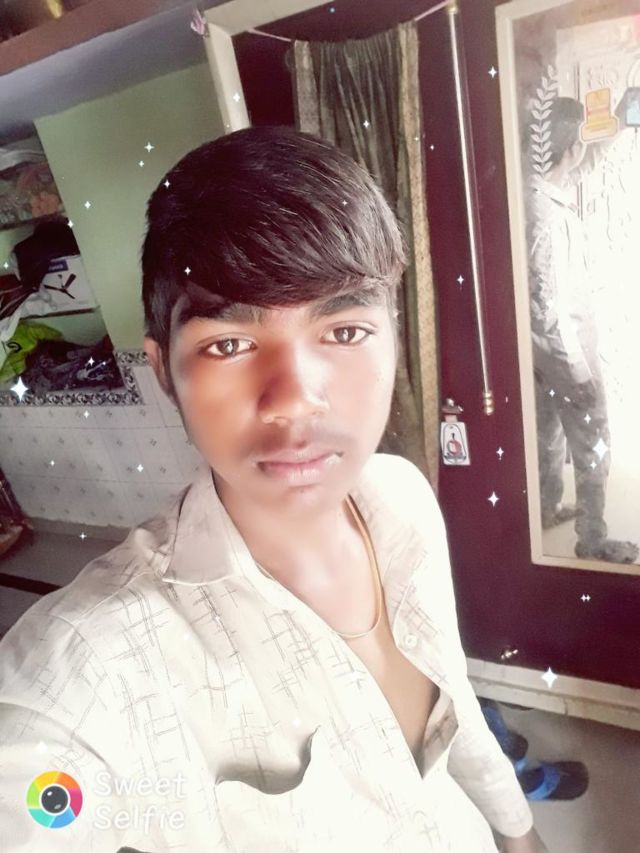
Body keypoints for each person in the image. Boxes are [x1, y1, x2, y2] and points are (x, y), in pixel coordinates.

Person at [0, 127, 545, 852]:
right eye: (228, 344)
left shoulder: (403, 497)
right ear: (164, 373)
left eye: (344, 331)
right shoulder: (96, 658)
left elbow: (454, 699)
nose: (294, 399)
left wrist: (519, 834)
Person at [526, 97, 638, 563]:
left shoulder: (532, 191)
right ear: (570, 148)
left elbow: (583, 165)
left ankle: (547, 506)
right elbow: (547, 306)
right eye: (580, 144)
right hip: (562, 350)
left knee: (548, 431)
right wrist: (578, 371)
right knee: (594, 439)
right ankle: (592, 538)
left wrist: (619, 122)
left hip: (535, 353)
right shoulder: (548, 217)